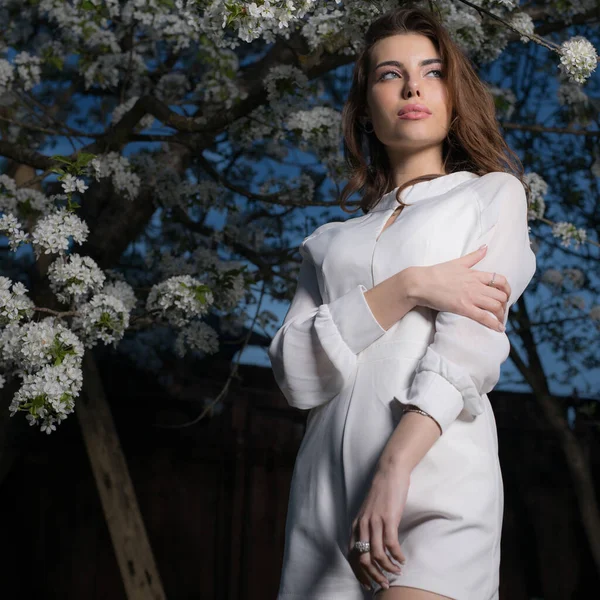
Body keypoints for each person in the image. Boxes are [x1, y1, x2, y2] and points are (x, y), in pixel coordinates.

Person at [267, 5, 536, 600]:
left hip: (436, 483)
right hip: (322, 511)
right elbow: (295, 374)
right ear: (366, 106)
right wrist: (410, 285)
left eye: (431, 71)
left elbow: (472, 343)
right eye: (390, 74)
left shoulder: (492, 195)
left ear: (453, 93)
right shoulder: (328, 243)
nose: (412, 86)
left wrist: (394, 469)